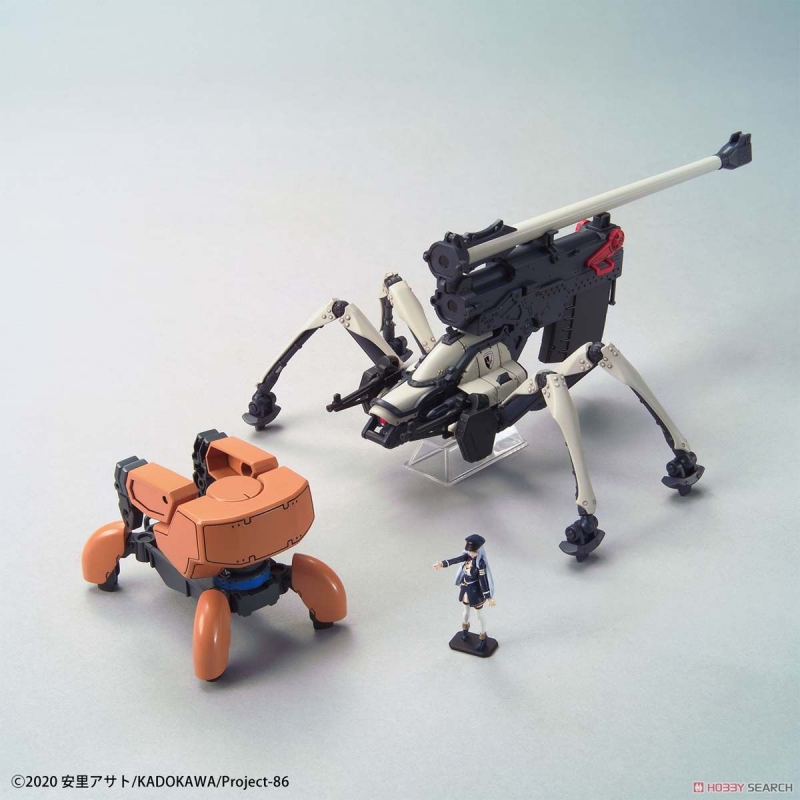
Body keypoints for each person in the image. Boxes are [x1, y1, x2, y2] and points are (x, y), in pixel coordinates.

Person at [433, 534, 495, 652]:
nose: (471, 553)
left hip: (476, 592)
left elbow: (483, 580)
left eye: (473, 552)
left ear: (479, 551)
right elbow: (455, 560)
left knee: (479, 615)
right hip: (465, 589)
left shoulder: (481, 563)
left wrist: (488, 597)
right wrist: (442, 564)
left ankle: (483, 637)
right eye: (470, 551)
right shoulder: (467, 557)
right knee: (465, 612)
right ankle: (465, 630)